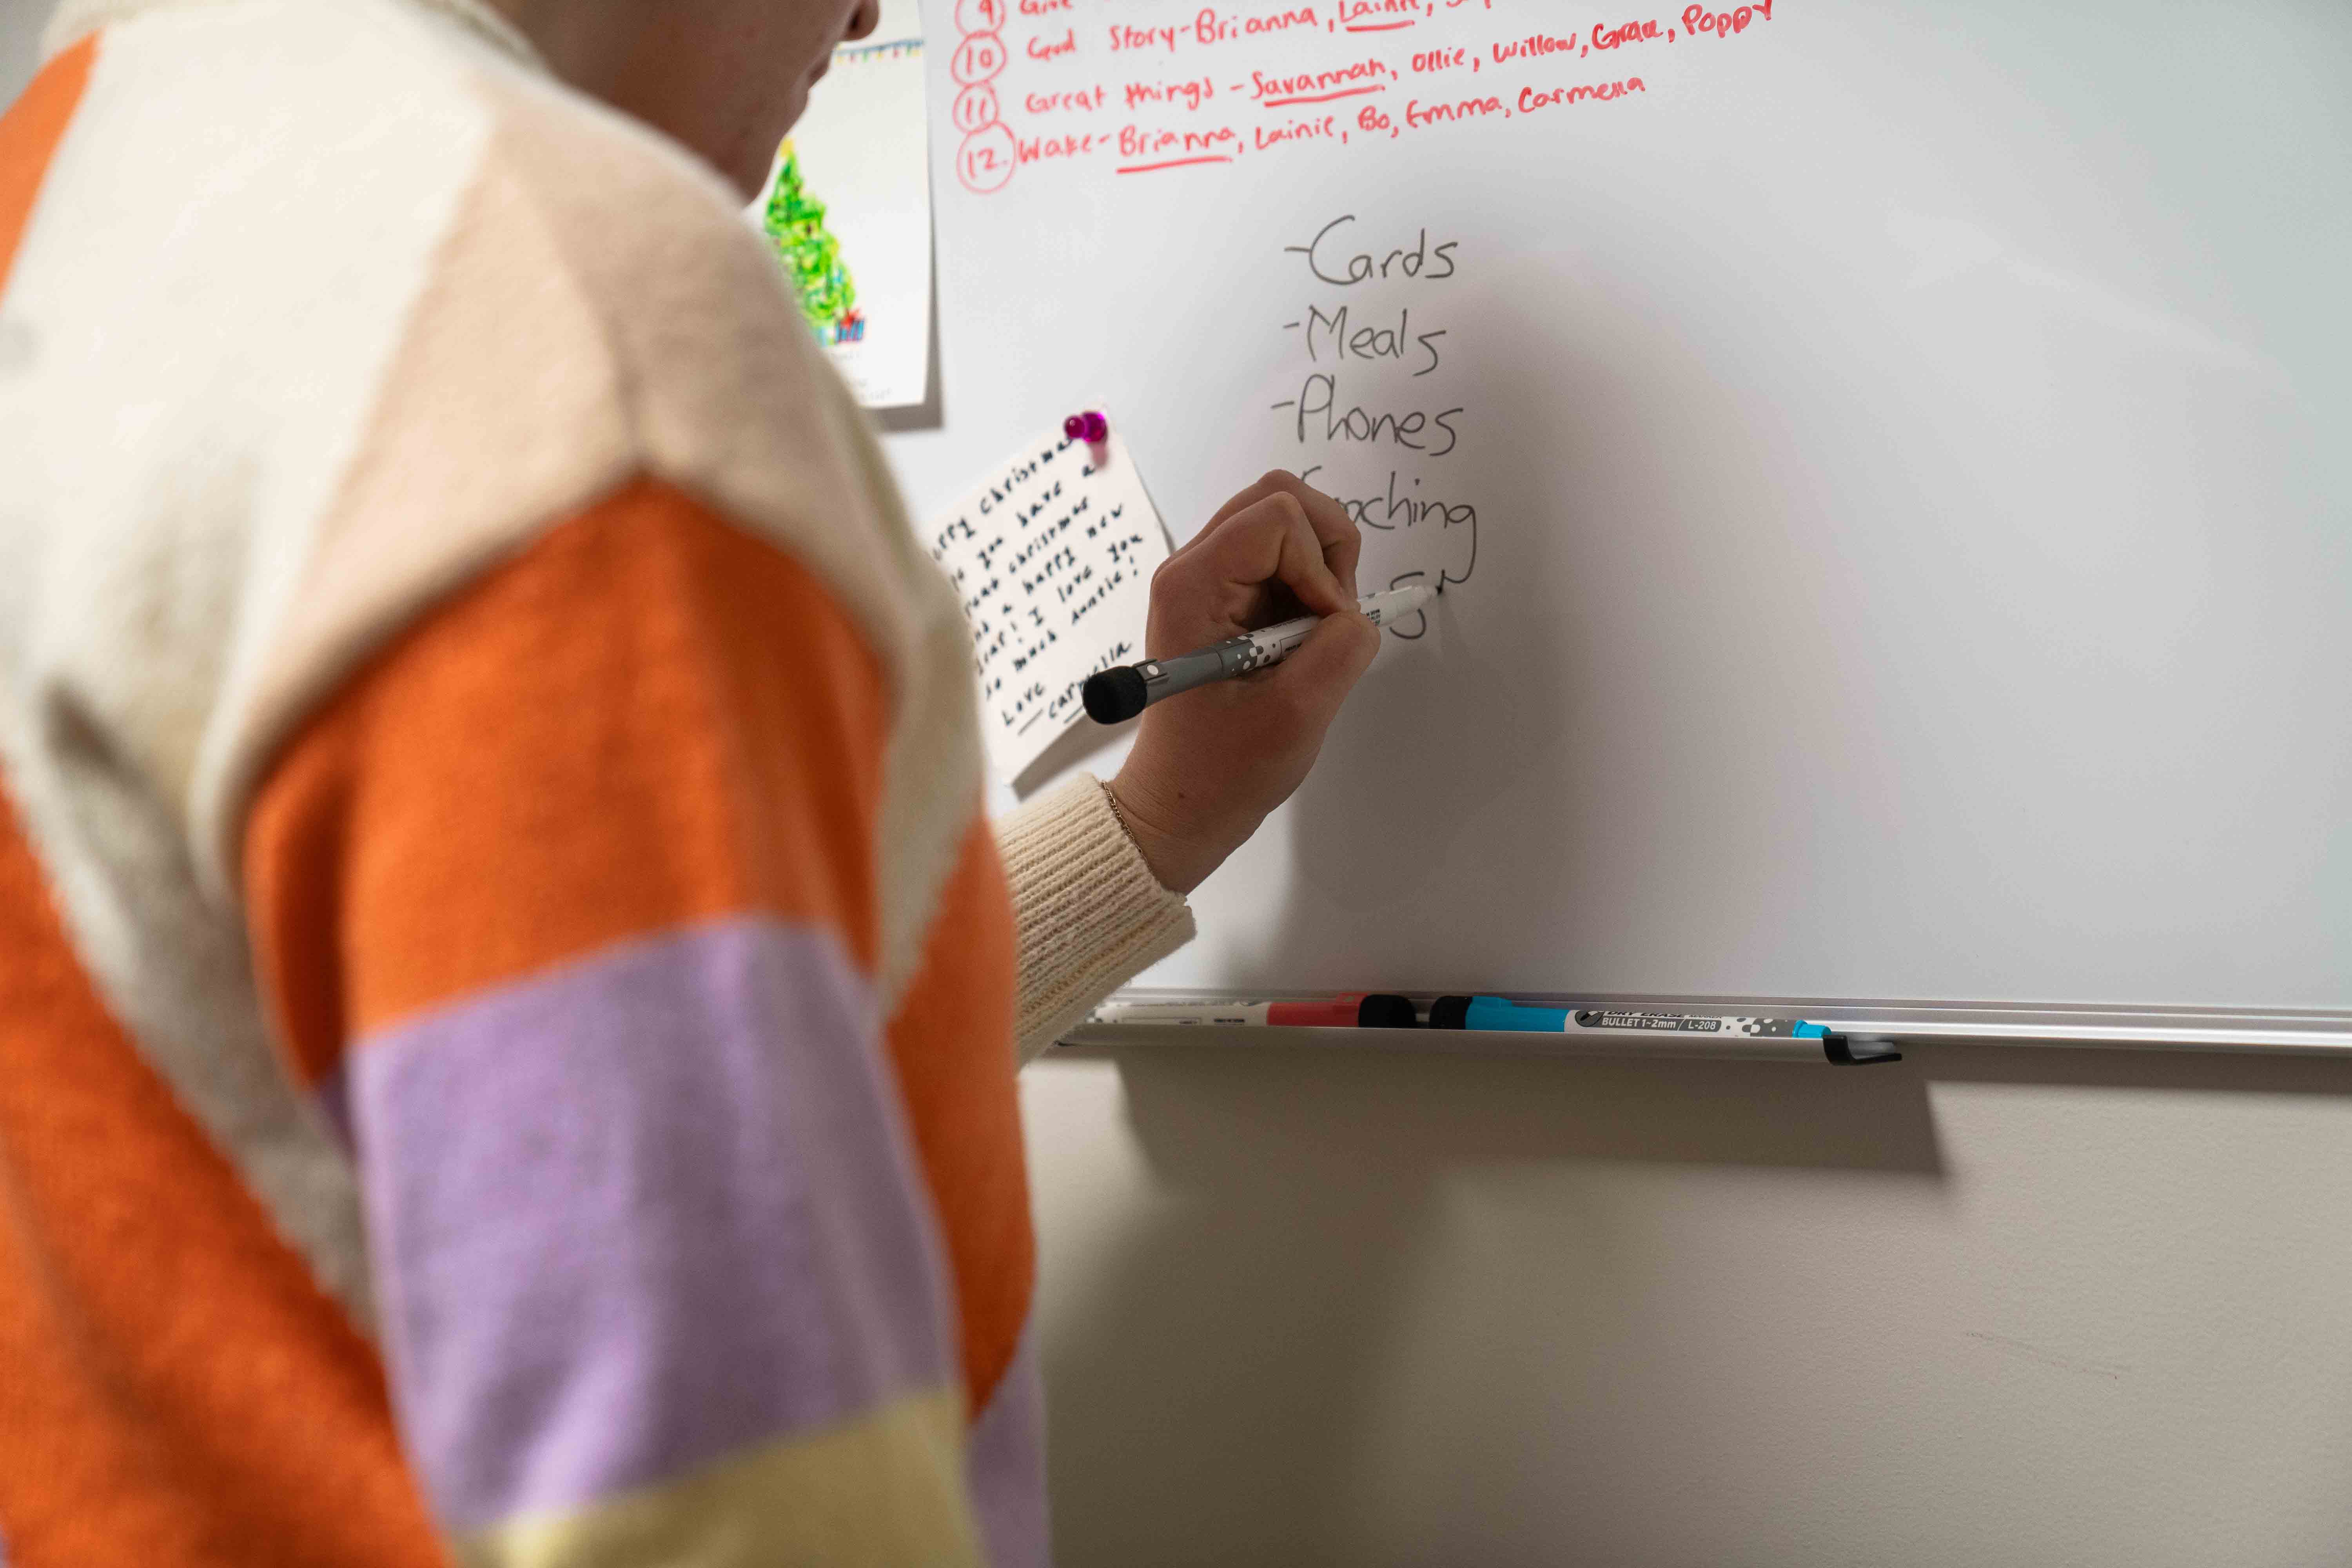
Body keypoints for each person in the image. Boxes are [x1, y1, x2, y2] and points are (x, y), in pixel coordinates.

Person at [0, 0, 1378, 1560]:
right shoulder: (563, 300)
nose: (869, 15)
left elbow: (516, 1122)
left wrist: (1154, 821)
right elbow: (708, 1493)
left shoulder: (70, 180)